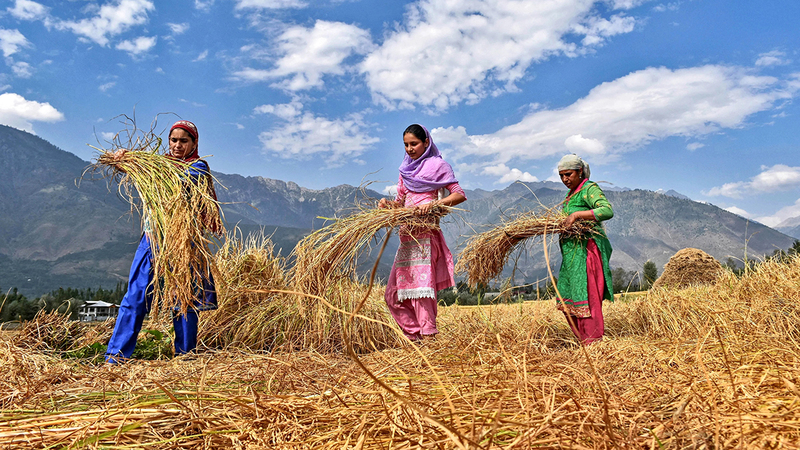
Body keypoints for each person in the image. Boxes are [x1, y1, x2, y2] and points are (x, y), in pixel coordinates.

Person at [105, 120, 218, 363]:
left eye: (184, 141)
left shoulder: (197, 167)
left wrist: (137, 162)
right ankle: (116, 357)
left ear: (194, 143)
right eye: (174, 140)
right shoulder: (158, 165)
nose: (178, 145)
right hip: (153, 238)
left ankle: (185, 357)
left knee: (184, 299)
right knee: (136, 295)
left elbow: (173, 179)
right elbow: (144, 170)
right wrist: (122, 159)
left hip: (184, 242)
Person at [378, 124, 466, 341]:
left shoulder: (438, 166)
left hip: (426, 237)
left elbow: (459, 194)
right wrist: (387, 206)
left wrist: (435, 205)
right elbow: (400, 204)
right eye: (406, 145)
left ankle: (428, 341)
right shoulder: (405, 172)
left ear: (426, 142)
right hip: (407, 238)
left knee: (422, 293)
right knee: (392, 296)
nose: (409, 149)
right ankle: (415, 337)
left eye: (414, 144)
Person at [555, 154, 614, 345]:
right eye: (561, 175)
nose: (565, 179)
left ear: (580, 172)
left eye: (569, 174)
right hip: (572, 254)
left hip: (586, 251)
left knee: (588, 296)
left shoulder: (589, 188)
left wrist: (577, 215)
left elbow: (606, 210)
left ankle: (593, 342)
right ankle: (583, 340)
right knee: (569, 296)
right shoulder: (570, 194)